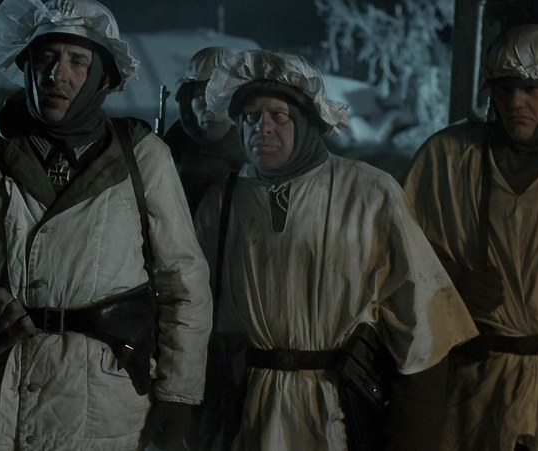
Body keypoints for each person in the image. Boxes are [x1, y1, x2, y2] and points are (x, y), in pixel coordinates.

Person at [0, 0, 212, 450]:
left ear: (102, 77)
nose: (57, 75)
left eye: (77, 61)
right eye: (46, 57)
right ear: (26, 65)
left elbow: (184, 282)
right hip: (0, 393)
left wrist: (177, 394)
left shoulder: (142, 157)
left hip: (104, 399)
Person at [193, 49, 478, 450]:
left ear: (307, 121)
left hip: (335, 416)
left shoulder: (368, 194)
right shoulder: (221, 205)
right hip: (249, 415)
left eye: (278, 115)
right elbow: (193, 312)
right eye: (251, 117)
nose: (263, 128)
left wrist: (410, 434)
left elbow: (422, 326)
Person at [403, 23, 538, 451]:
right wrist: (449, 284)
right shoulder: (449, 160)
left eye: (532, 88)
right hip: (476, 391)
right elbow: (392, 256)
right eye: (504, 89)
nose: (515, 102)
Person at [163, 46, 247, 214]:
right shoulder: (167, 153)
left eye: (221, 95)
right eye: (201, 94)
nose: (210, 106)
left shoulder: (257, 154)